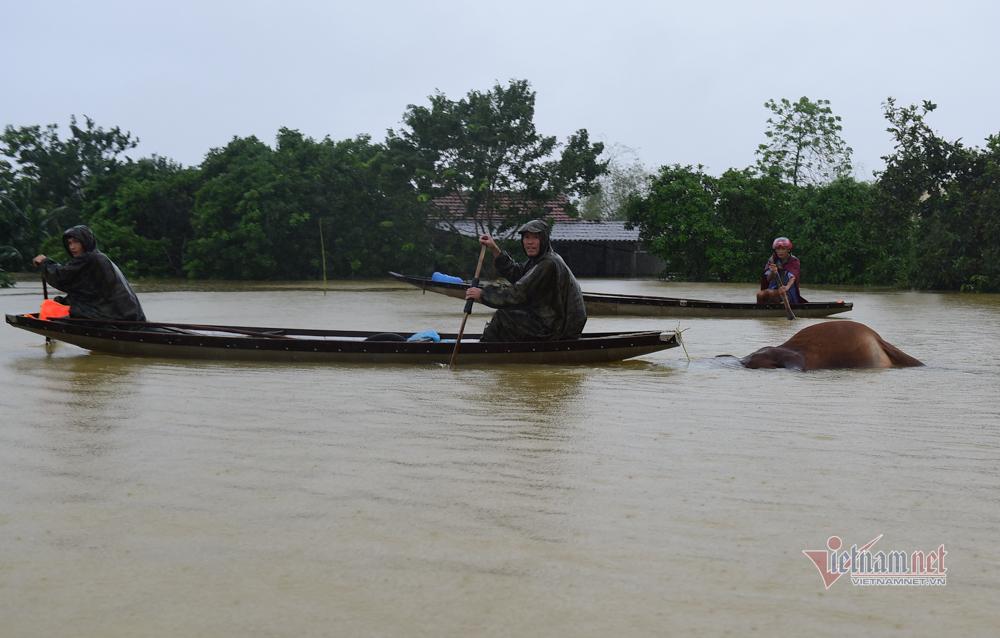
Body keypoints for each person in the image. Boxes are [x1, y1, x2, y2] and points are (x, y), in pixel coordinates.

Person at [464, 219, 587, 342]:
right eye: (527, 238)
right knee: (511, 313)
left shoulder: (548, 263)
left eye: (535, 238)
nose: (530, 242)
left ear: (543, 240)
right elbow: (517, 274)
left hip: (558, 329)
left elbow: (517, 293)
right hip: (549, 321)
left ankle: (483, 352)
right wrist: (494, 248)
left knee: (503, 316)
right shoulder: (538, 261)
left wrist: (483, 294)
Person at [32, 225, 146, 321]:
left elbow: (61, 277)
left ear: (85, 241)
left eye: (76, 242)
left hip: (114, 315)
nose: (72, 247)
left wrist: (44, 263)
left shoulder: (89, 258)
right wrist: (65, 301)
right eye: (69, 243)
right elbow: (87, 292)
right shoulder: (98, 257)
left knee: (62, 311)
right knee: (61, 304)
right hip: (129, 315)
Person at [757, 236, 806, 304]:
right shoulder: (772, 260)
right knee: (760, 295)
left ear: (788, 250)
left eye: (783, 249)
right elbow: (768, 279)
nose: (780, 251)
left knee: (770, 293)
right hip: (773, 288)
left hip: (788, 291)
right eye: (778, 249)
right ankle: (761, 312)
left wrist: (786, 287)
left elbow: (793, 277)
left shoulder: (794, 261)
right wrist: (773, 272)